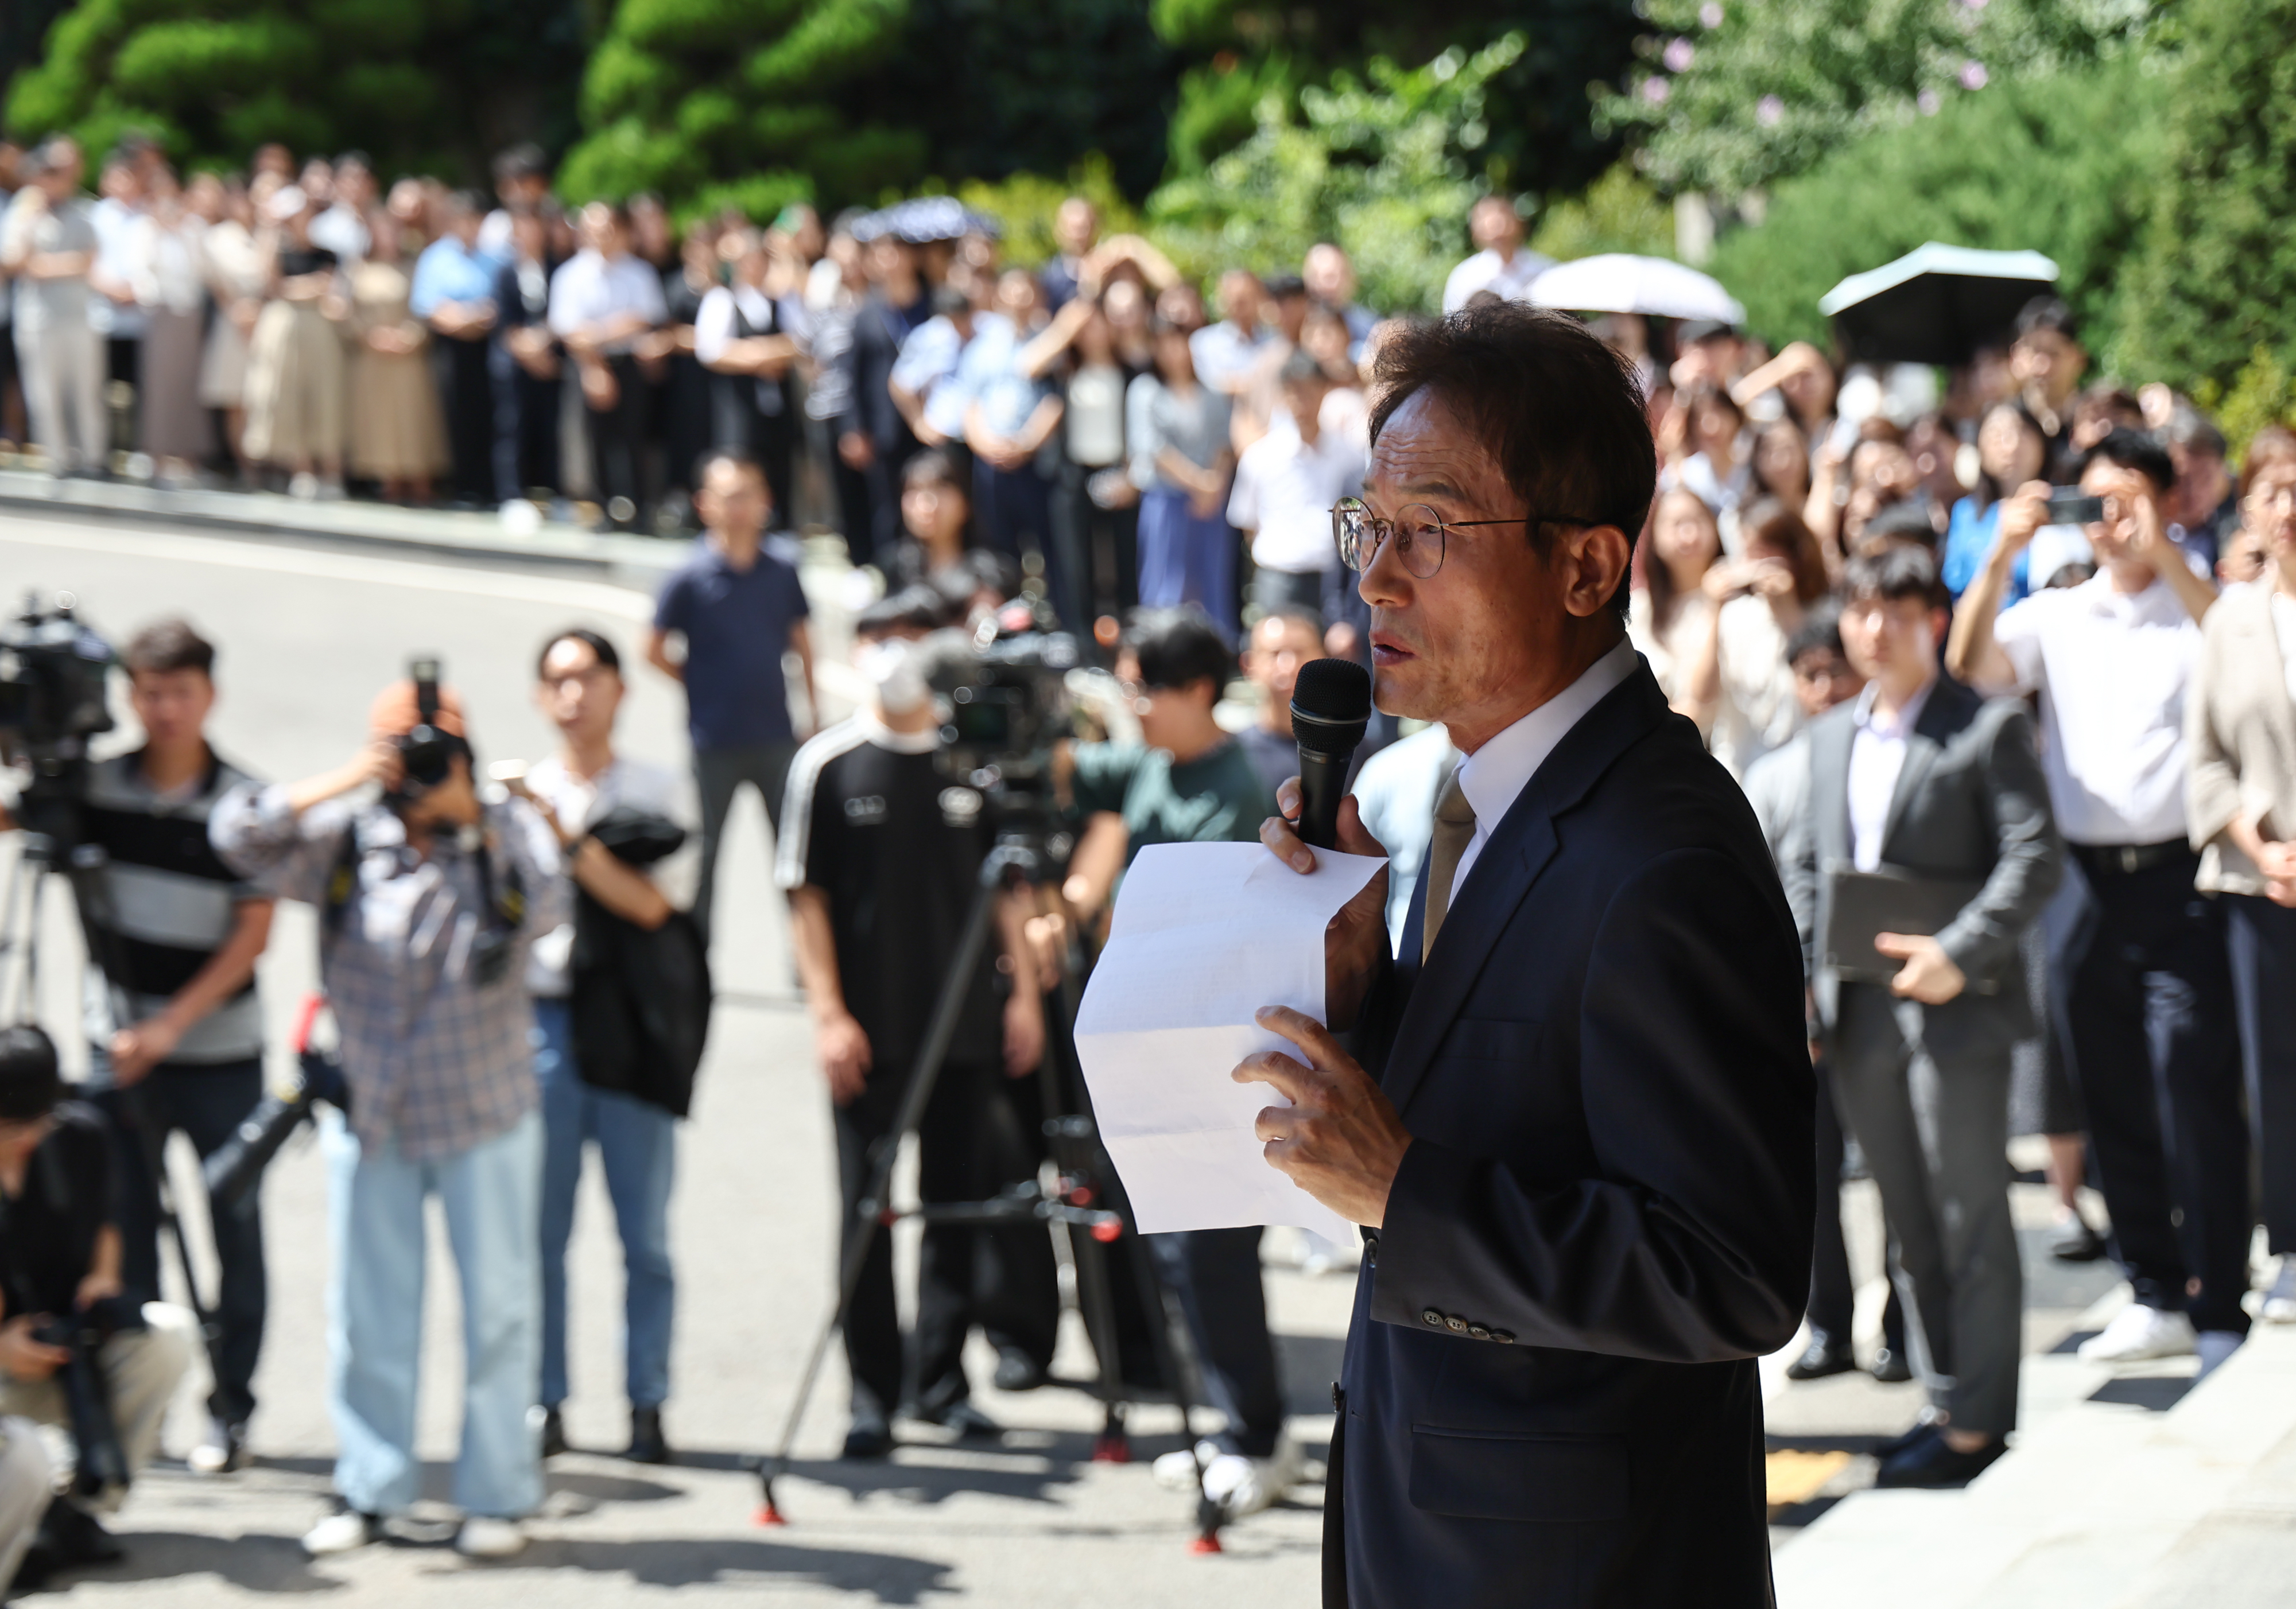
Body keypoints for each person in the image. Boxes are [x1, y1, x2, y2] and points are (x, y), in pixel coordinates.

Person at [1242, 304, 1811, 1604]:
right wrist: (1360, 990)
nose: (1376, 577)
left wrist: (1405, 1192)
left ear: (1586, 565)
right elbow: (1513, 1112)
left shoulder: (1660, 852)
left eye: (1430, 530)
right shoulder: (1475, 802)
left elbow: (1731, 1271)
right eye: (1367, 526)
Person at [212, 678, 567, 1561]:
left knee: (499, 1313)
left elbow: (554, 903)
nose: (415, 770)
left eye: (432, 749)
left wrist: (474, 812)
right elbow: (234, 837)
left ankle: (498, 1494)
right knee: (370, 1315)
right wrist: (343, 778)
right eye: (401, 751)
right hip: (374, 1117)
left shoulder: (499, 833)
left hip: (485, 1110)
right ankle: (370, 1490)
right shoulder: (343, 838)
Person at [1947, 429, 2248, 1373]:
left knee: (2190, 1081)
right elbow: (1970, 667)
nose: (2112, 519)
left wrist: (2166, 552)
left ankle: (2219, 1294)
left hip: (2181, 874)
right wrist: (2000, 552)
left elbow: (2235, 655)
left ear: (2166, 503)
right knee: (2108, 1081)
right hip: (2083, 881)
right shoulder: (2060, 612)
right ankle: (2153, 1284)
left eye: (2130, 498)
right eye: (2097, 500)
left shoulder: (2203, 606)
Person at [1789, 546, 2061, 1486]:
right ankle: (1946, 1399)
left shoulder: (1984, 728)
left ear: (1933, 622)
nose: (1873, 629)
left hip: (1959, 1010)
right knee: (1904, 1218)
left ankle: (1979, 1421)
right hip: (1860, 1012)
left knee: (1971, 1216)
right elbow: (1812, 867)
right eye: (1861, 610)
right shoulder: (1832, 735)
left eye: (1894, 612)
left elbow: (2034, 860)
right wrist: (1807, 985)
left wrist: (1961, 949)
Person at [777, 604, 1052, 1457]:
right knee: (865, 1208)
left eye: (912, 640)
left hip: (967, 1026)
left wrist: (1024, 1000)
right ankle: (871, 1394)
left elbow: (1009, 885)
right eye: (879, 640)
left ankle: (941, 1383)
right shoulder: (827, 766)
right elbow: (806, 897)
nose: (895, 657)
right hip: (870, 1032)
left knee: (956, 1208)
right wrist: (827, 1014)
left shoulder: (971, 759)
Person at [1057, 607, 1298, 1517]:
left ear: (1199, 691)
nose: (1136, 707)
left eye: (1146, 688)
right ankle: (1230, 1429)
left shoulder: (1246, 785)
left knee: (1216, 1252)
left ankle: (1259, 1436)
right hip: (1153, 1047)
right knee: (1177, 1254)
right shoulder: (1156, 764)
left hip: (1218, 1055)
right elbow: (1073, 774)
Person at [23, 621, 273, 1476]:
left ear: (210, 695)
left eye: (180, 693)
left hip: (219, 1054)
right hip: (114, 1052)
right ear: (128, 694)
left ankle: (232, 1406)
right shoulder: (94, 788)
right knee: (120, 1235)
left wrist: (170, 1025)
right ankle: (144, 1400)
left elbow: (253, 933)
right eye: (149, 692)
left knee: (233, 1227)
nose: (163, 711)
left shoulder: (244, 803)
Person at [515, 628, 685, 1465]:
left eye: (587, 677)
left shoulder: (659, 788)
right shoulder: (516, 794)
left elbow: (656, 906)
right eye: (556, 680)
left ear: (622, 688)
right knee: (538, 1232)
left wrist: (566, 838)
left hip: (633, 1022)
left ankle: (647, 1402)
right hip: (541, 1020)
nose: (572, 694)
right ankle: (543, 1401)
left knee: (644, 1232)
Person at [1740, 605, 1911, 1389]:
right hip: (1798, 1005)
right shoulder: (1773, 775)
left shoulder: (1889, 755)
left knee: (1898, 1170)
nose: (1824, 689)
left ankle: (1905, 1328)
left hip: (1882, 994)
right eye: (1809, 676)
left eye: (1835, 673)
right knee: (1810, 1175)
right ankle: (1828, 1323)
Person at [0, 1026, 197, 1570]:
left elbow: (107, 1225)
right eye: (12, 1128)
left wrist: (102, 1280)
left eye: (37, 1124)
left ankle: (78, 1511)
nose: (26, 1141)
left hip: (64, 1356)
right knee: (23, 1458)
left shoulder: (80, 1137)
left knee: (169, 1337)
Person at [2187, 459, 2296, 1323]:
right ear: (2248, 507)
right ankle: (2290, 1243)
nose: (2288, 508)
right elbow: (2207, 759)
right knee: (2274, 1069)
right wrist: (2258, 848)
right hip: (2261, 877)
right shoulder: (2231, 619)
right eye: (2272, 492)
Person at [646, 448, 816, 938]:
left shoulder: (782, 571)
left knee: (794, 857)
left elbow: (803, 640)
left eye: (748, 495)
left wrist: (812, 709)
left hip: (776, 738)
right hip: (713, 742)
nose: (739, 507)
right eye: (728, 497)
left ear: (766, 501)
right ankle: (695, 962)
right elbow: (652, 647)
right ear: (705, 504)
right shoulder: (689, 576)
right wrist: (696, 681)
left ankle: (806, 960)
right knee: (704, 860)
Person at [549, 201, 666, 528]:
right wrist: (594, 366)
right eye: (593, 230)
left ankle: (640, 508)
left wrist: (598, 333)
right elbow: (569, 330)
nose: (600, 237)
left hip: (629, 363)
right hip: (586, 365)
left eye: (608, 229)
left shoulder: (639, 272)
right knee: (593, 439)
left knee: (634, 436)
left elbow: (643, 319)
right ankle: (600, 508)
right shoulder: (570, 274)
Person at [1227, 351, 1364, 622]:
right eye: (1294, 391)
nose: (1302, 401)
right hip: (1278, 577)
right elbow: (1248, 525)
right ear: (1283, 395)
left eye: (1309, 390)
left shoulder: (1349, 457)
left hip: (1332, 579)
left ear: (1324, 391)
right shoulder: (1260, 457)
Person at [1, 140, 104, 475]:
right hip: (38, 318)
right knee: (44, 393)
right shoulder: (24, 210)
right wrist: (53, 262)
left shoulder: (83, 211)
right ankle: (58, 461)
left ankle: (92, 458)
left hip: (79, 316)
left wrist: (45, 266)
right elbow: (16, 261)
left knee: (86, 392)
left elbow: (89, 262)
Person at [1128, 315, 1236, 636]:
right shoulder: (1145, 390)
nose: (1173, 352)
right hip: (1167, 499)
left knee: (1212, 578)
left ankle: (1217, 649)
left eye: (1179, 343)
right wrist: (1199, 483)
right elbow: (1154, 448)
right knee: (1166, 579)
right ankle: (1159, 648)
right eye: (1164, 345)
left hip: (1210, 502)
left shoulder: (1212, 392)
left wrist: (1213, 485)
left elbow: (1223, 443)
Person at [241, 184, 347, 499]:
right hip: (287, 331)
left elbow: (329, 289)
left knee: (325, 397)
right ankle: (303, 471)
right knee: (290, 397)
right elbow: (271, 284)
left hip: (319, 332)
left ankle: (332, 472)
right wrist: (271, 229)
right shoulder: (278, 251)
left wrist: (298, 289)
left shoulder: (327, 252)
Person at [344, 208, 447, 505]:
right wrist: (370, 336)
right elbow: (347, 313)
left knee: (414, 418)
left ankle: (421, 480)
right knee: (382, 420)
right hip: (373, 358)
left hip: (409, 358)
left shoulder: (415, 267)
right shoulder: (358, 270)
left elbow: (428, 308)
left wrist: (411, 338)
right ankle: (388, 479)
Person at [696, 228, 801, 520]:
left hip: (777, 406)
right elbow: (711, 350)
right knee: (741, 466)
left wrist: (759, 351)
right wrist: (758, 357)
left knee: (780, 468)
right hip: (738, 406)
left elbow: (799, 342)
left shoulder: (781, 300)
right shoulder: (722, 299)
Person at [409, 190, 502, 508]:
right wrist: (465, 317)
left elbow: (497, 307)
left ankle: (490, 487)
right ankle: (463, 486)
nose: (469, 227)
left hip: (487, 346)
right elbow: (429, 307)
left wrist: (470, 317)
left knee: (489, 415)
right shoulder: (435, 257)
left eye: (475, 221)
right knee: (455, 416)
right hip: (449, 348)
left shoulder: (497, 259)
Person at [490, 205, 561, 504]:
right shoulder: (505, 271)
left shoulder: (557, 268)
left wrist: (544, 345)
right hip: (515, 365)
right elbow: (504, 321)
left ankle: (554, 492)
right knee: (513, 429)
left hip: (551, 362)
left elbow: (563, 312)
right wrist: (528, 351)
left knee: (553, 429)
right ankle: (513, 495)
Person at [1627, 487, 1723, 708]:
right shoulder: (1639, 610)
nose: (1689, 535)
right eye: (1676, 524)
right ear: (1655, 539)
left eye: (1698, 520)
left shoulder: (1736, 600)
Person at [1236, 607, 1328, 803]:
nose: (1288, 666)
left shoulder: (1353, 748)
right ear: (1248, 666)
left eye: (1300, 652)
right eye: (1275, 653)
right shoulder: (1236, 756)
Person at [1441, 193, 1552, 314]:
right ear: (1477, 233)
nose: (1499, 234)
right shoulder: (1465, 277)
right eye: (1492, 228)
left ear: (1519, 225)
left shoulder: (1545, 269)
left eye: (1504, 225)